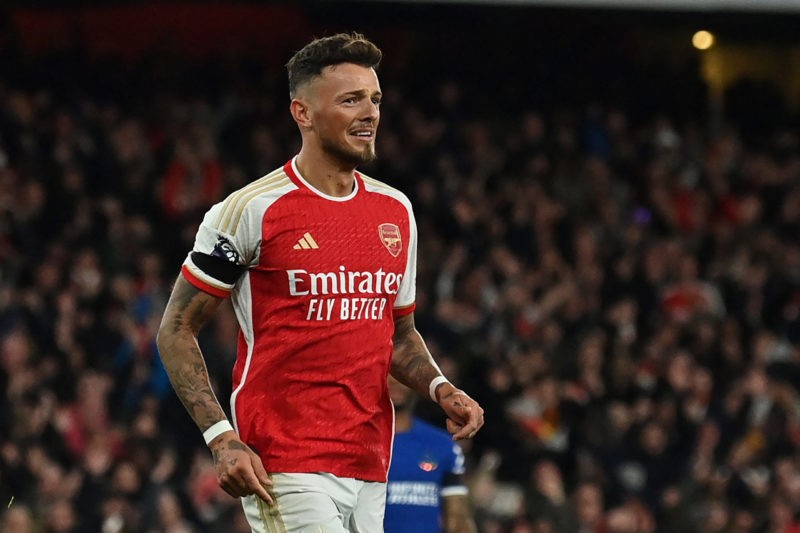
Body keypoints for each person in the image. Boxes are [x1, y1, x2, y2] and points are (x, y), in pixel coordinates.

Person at [156, 32, 484, 533]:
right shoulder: (250, 210)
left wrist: (440, 388)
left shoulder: (396, 210)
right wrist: (222, 438)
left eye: (374, 99)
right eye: (350, 100)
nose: (369, 112)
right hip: (285, 459)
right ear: (302, 114)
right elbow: (176, 328)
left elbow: (396, 333)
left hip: (372, 461)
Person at [384, 376, 477, 533]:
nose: (395, 382)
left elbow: (458, 518)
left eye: (401, 376)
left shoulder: (443, 445)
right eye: (387, 375)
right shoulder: (355, 444)